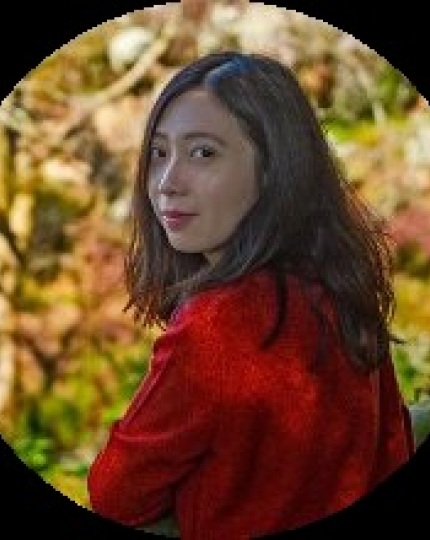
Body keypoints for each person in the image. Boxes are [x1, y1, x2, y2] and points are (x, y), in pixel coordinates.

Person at [87, 51, 415, 539]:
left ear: (272, 171)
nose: (167, 183)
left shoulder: (216, 325)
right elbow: (393, 445)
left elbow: (116, 493)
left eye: (203, 153)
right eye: (159, 153)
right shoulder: (340, 289)